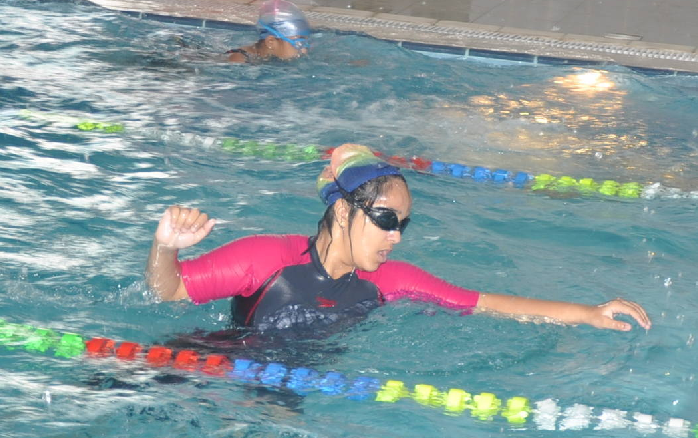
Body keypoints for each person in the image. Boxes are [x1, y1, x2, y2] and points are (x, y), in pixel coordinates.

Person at [146, 143, 652, 334]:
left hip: (286, 396)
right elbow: (167, 292)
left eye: (402, 225)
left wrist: (589, 313)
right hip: (206, 373)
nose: (395, 236)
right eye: (386, 219)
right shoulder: (265, 258)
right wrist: (165, 246)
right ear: (342, 210)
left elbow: (483, 303)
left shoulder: (389, 281)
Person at [225, 0, 313, 63]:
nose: (304, 51)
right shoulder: (238, 60)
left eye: (305, 44)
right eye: (298, 43)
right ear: (270, 42)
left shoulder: (268, 56)